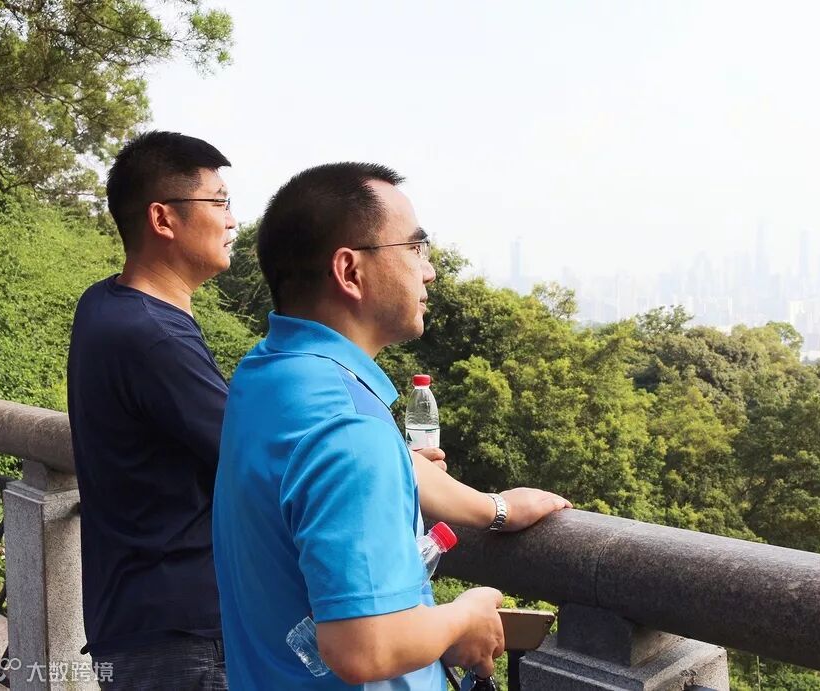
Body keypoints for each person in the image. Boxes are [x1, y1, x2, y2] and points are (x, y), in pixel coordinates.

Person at [213, 162, 570, 689]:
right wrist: (464, 617)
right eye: (415, 249)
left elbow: (367, 461)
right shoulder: (352, 430)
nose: (429, 271)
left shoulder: (271, 374)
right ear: (349, 271)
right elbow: (365, 647)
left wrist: (492, 508)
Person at [67, 131, 236, 689]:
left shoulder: (103, 302)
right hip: (182, 635)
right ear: (163, 219)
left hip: (132, 614)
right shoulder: (153, 337)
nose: (232, 220)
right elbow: (259, 456)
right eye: (219, 202)